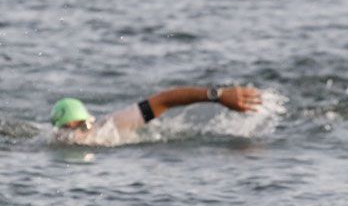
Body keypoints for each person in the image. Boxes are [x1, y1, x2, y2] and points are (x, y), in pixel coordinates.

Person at [50, 85, 262, 143]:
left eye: (83, 127)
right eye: (66, 132)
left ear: (90, 122)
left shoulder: (111, 128)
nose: (76, 136)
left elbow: (165, 100)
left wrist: (217, 95)